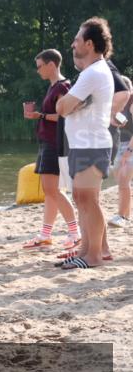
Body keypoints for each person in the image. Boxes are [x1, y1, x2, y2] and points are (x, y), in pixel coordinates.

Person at [55, 17, 116, 269]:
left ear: (89, 44)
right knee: (82, 198)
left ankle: (95, 255)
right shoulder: (91, 72)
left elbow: (61, 107)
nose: (73, 44)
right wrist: (67, 104)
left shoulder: (93, 73)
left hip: (92, 144)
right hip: (84, 144)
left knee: (88, 199)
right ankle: (86, 250)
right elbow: (65, 107)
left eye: (77, 39)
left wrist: (66, 103)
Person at [21, 49, 80, 249]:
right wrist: (40, 116)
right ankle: (46, 234)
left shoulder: (62, 86)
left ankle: (75, 232)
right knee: (50, 191)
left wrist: (41, 116)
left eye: (39, 66)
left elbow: (65, 115)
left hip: (55, 143)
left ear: (51, 64)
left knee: (53, 189)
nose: (37, 70)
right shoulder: (54, 86)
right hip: (48, 142)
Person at [108, 76, 132, 228]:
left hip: (129, 146)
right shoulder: (117, 105)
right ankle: (125, 215)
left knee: (123, 182)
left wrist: (128, 151)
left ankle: (122, 216)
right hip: (120, 145)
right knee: (122, 183)